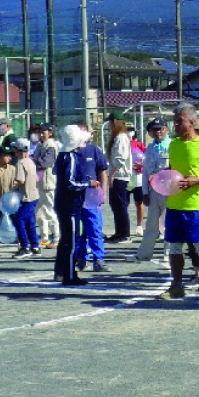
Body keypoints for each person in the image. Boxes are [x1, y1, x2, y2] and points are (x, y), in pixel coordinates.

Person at [157, 104, 199, 301]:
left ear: (192, 122)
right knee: (174, 247)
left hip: (195, 207)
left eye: (179, 121)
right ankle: (177, 285)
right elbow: (171, 170)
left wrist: (195, 180)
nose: (175, 124)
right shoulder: (174, 144)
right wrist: (161, 179)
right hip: (174, 205)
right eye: (174, 121)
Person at [53, 128, 91, 286]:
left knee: (65, 239)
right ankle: (69, 275)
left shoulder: (62, 155)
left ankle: (60, 271)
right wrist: (88, 183)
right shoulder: (71, 157)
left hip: (63, 203)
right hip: (70, 204)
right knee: (71, 241)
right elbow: (70, 182)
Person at [131, 117, 172, 264]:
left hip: (169, 189)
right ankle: (144, 253)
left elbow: (174, 169)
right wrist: (145, 192)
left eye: (160, 129)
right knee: (152, 224)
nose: (157, 132)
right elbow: (146, 172)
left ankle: (169, 253)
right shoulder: (150, 148)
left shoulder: (172, 146)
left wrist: (161, 175)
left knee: (168, 223)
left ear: (166, 129)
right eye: (154, 130)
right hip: (154, 190)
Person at [75, 122, 111, 272]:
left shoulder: (94, 150)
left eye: (86, 131)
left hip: (92, 197)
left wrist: (103, 192)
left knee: (95, 228)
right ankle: (81, 258)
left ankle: (99, 259)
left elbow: (102, 172)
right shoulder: (69, 152)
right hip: (76, 197)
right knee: (78, 230)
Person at [7, 137, 43, 258]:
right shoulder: (30, 161)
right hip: (34, 195)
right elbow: (37, 178)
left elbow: (21, 180)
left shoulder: (21, 162)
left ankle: (25, 246)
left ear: (18, 150)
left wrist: (12, 189)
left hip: (26, 197)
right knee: (30, 221)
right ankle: (35, 246)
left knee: (19, 220)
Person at [0, 146, 20, 258]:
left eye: (9, 155)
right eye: (6, 155)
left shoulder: (13, 169)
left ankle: (19, 243)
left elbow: (16, 186)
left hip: (11, 202)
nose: (8, 157)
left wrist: (11, 199)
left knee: (16, 221)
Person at [106, 117, 134, 244]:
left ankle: (125, 234)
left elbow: (120, 158)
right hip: (115, 175)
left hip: (119, 175)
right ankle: (118, 232)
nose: (109, 125)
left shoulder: (121, 137)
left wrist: (111, 174)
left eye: (111, 122)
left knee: (120, 205)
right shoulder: (116, 137)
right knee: (115, 205)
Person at [33, 123, 60, 249]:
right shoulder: (40, 145)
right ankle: (44, 237)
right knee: (39, 212)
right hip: (39, 183)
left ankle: (57, 236)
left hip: (49, 184)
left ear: (50, 132)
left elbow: (45, 163)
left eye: (44, 131)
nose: (41, 134)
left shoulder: (51, 145)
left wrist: (34, 159)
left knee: (50, 211)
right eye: (40, 131)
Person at [128, 126, 147, 237]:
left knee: (139, 202)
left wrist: (142, 163)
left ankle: (139, 226)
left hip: (138, 176)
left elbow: (146, 156)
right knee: (124, 203)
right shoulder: (122, 143)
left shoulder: (139, 144)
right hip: (126, 177)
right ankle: (125, 226)